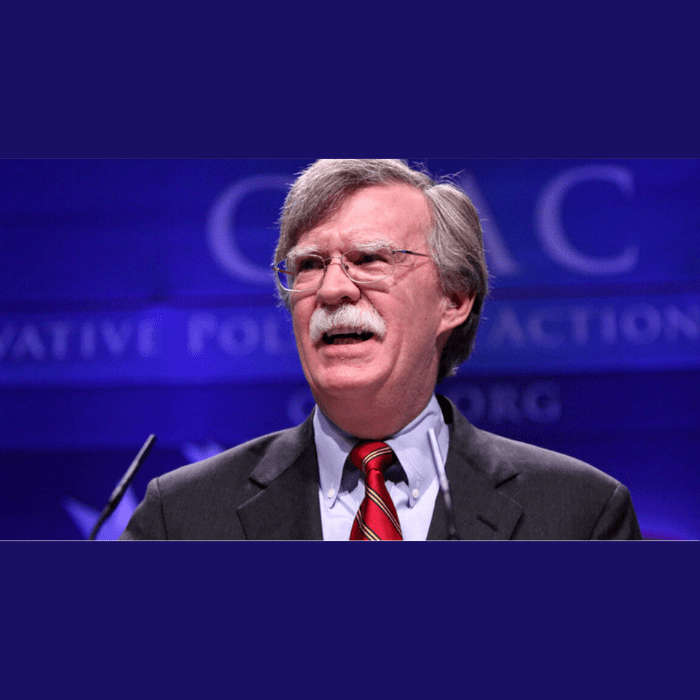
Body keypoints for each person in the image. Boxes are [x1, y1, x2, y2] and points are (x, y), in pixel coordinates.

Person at [120, 159, 642, 540]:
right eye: (309, 265)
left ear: (454, 298)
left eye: (369, 259)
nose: (332, 290)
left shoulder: (579, 514)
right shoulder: (181, 517)